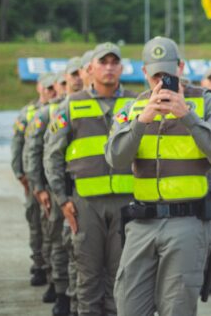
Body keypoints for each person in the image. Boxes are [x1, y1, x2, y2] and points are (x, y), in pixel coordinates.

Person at [105, 36, 211, 316]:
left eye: (168, 74)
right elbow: (115, 159)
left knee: (176, 308)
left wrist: (188, 117)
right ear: (144, 73)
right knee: (129, 305)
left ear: (181, 68)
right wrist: (141, 122)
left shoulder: (207, 103)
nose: (162, 83)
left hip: (187, 223)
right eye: (156, 76)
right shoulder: (132, 108)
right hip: (141, 223)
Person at [43, 43, 138, 316]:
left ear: (121, 68)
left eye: (114, 62)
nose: (109, 67)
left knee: (121, 276)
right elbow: (53, 156)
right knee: (88, 276)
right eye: (103, 62)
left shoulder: (134, 103)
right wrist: (62, 200)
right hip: (85, 205)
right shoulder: (71, 105)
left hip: (127, 204)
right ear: (90, 68)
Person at [25, 57, 82, 314]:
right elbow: (36, 151)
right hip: (61, 190)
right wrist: (39, 186)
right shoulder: (52, 112)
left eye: (82, 72)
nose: (79, 78)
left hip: (91, 192)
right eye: (73, 74)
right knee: (58, 241)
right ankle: (60, 289)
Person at [13, 72, 58, 287]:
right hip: (34, 178)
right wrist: (21, 174)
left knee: (48, 225)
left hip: (51, 179)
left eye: (54, 87)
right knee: (36, 222)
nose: (52, 92)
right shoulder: (29, 113)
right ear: (39, 88)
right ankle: (39, 262)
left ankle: (46, 265)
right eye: (48, 88)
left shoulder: (58, 109)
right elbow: (20, 146)